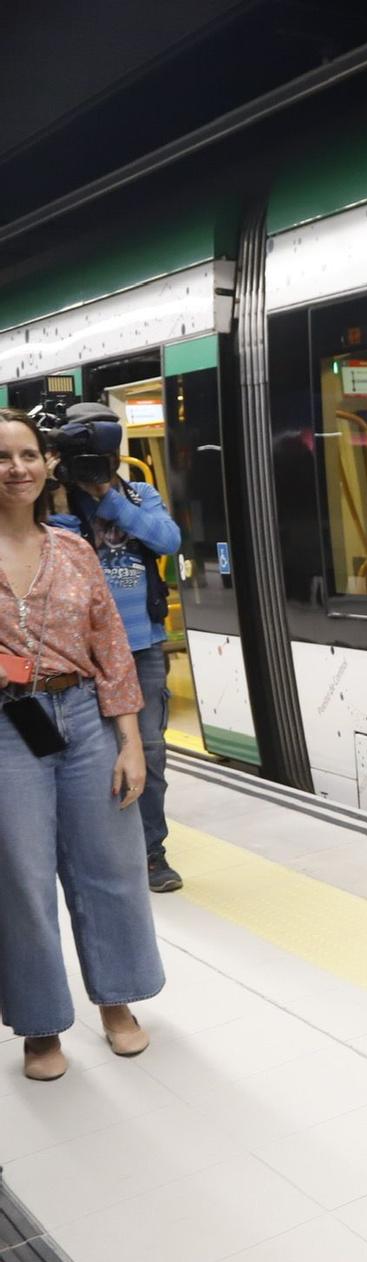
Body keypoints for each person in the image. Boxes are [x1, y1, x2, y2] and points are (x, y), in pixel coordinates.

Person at [0, 408, 166, 1082]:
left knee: (111, 867)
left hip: (86, 715)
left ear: (47, 466)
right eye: (2, 457)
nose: (16, 468)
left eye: (28, 455)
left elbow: (111, 646)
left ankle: (116, 1001)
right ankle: (41, 1024)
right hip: (10, 726)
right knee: (22, 878)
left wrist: (131, 740)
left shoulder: (73, 548)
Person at [49, 403, 185, 892]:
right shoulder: (54, 504)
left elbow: (168, 540)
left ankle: (152, 852)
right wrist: (61, 495)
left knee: (148, 749)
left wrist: (109, 494)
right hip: (80, 655)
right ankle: (98, 847)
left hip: (143, 647)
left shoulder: (137, 493)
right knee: (88, 752)